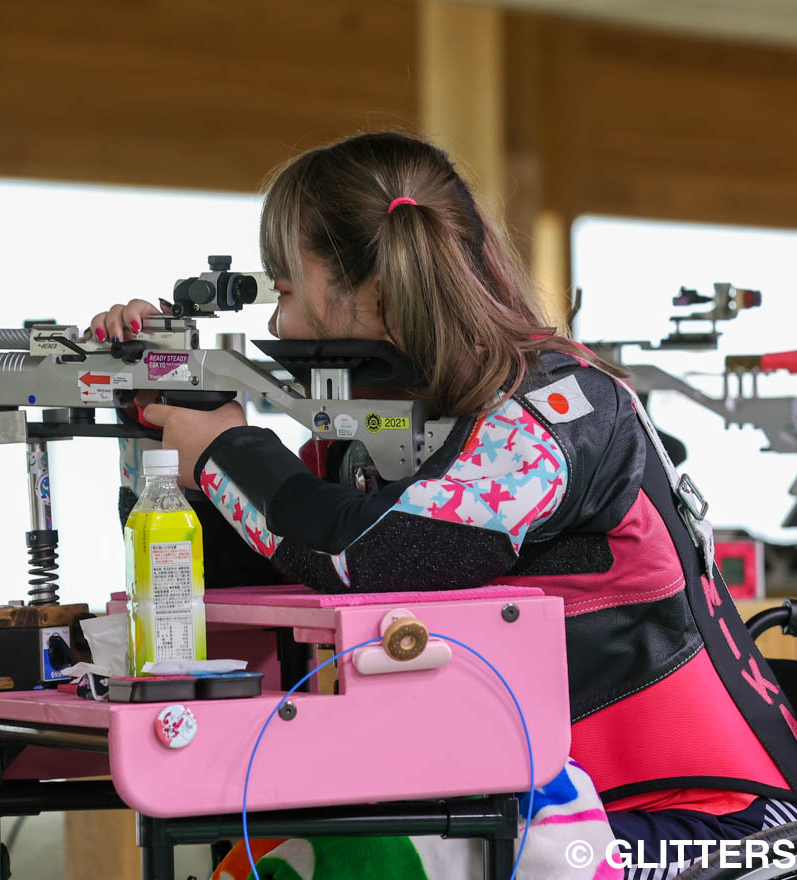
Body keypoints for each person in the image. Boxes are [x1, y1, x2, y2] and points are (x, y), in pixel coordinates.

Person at [90, 132, 797, 877]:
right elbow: (256, 579)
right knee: (290, 853)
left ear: (373, 290)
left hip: (719, 818)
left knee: (384, 854)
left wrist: (231, 449)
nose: (276, 328)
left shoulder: (560, 412)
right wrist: (165, 444)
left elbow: (364, 558)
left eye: (288, 291)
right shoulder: (384, 432)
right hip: (550, 800)